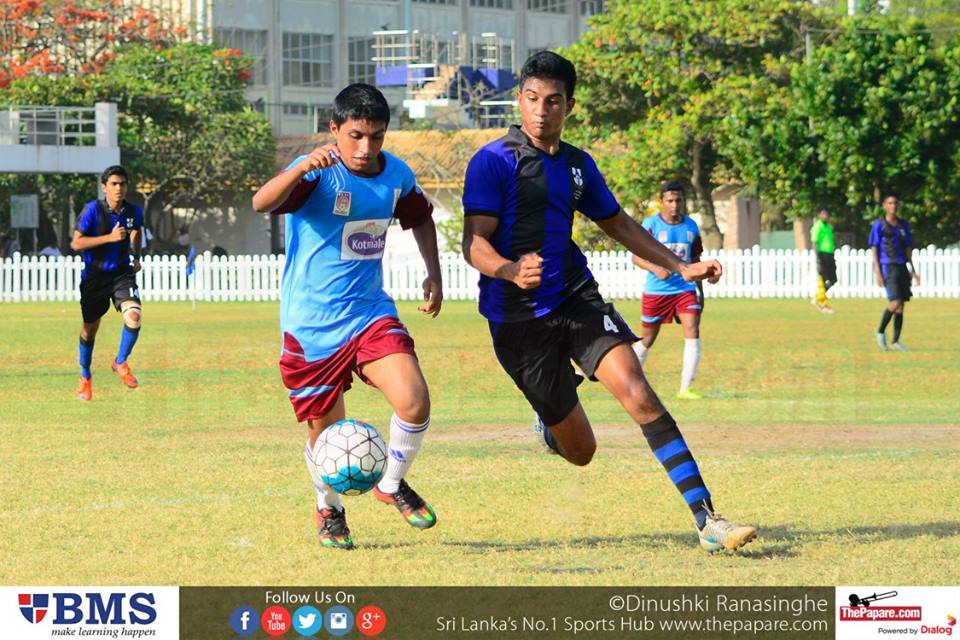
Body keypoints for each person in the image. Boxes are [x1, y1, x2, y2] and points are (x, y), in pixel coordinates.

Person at [461, 51, 757, 553]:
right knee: (582, 451)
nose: (541, 111)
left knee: (638, 392)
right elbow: (474, 243)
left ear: (570, 106)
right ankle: (551, 426)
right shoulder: (493, 161)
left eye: (553, 101)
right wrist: (509, 270)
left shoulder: (578, 165)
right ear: (519, 100)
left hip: (574, 296)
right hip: (516, 320)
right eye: (532, 99)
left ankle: (707, 520)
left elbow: (617, 222)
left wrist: (680, 266)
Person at [252, 83, 443, 550]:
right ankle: (330, 510)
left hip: (369, 313)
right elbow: (261, 202)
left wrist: (433, 274)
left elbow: (420, 217)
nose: (365, 148)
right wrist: (300, 167)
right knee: (327, 435)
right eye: (355, 135)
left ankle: (391, 484)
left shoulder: (395, 175)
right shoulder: (317, 174)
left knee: (414, 401)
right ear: (334, 129)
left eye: (376, 137)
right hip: (311, 327)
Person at [70, 165, 144, 401]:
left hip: (122, 274)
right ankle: (85, 376)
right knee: (89, 330)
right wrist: (109, 238)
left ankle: (120, 362)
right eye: (113, 184)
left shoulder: (133, 211)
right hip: (94, 278)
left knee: (134, 317)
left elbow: (135, 231)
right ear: (104, 187)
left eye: (122, 184)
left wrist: (136, 256)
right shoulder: (93, 210)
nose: (118, 188)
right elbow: (76, 243)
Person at [631, 181, 706, 400]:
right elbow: (636, 257)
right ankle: (629, 380)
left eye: (678, 200)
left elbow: (695, 260)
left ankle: (685, 388)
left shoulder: (691, 226)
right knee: (647, 338)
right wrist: (656, 269)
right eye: (670, 200)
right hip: (656, 291)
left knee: (692, 329)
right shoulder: (651, 225)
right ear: (662, 202)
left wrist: (700, 292)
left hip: (685, 289)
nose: (674, 205)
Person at [869, 194, 919, 352]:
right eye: (890, 203)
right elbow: (874, 248)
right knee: (895, 301)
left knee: (901, 304)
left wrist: (913, 270)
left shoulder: (903, 225)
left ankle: (896, 340)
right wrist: (877, 271)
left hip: (902, 265)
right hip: (887, 266)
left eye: (895, 203)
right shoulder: (879, 225)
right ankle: (880, 331)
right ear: (884, 205)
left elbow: (908, 248)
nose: (893, 206)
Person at [810, 208, 837, 314]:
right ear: (820, 215)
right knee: (824, 279)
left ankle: (817, 297)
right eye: (823, 214)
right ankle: (822, 303)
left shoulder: (829, 227)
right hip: (822, 254)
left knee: (833, 279)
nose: (825, 216)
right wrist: (818, 258)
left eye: (826, 214)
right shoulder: (818, 226)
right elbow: (814, 242)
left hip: (830, 254)